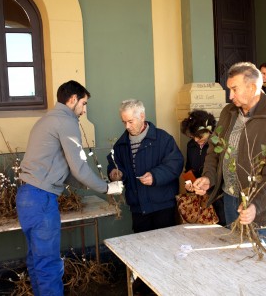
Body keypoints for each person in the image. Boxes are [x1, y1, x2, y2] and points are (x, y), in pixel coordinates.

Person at [16, 80, 123, 296]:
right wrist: (107, 188)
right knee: (49, 265)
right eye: (83, 104)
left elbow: (68, 172)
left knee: (38, 261)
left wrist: (90, 184)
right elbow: (79, 167)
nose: (84, 110)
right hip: (42, 198)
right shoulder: (66, 121)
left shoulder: (46, 120)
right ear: (72, 99)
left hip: (27, 197)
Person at [193, 62, 266, 249]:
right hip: (230, 199)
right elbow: (214, 149)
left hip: (261, 209)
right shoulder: (228, 112)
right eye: (229, 90)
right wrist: (209, 177)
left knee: (265, 264)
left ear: (252, 87)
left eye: (234, 89)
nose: (230, 96)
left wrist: (256, 205)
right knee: (236, 257)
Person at [107, 99, 184, 233]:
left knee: (166, 245)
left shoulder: (163, 139)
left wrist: (155, 176)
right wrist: (115, 173)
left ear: (142, 116)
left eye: (130, 121)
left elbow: (175, 164)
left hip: (163, 206)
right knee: (141, 247)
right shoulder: (121, 144)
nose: (127, 126)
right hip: (138, 207)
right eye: (124, 122)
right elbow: (115, 164)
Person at [180, 109, 226, 225]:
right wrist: (189, 183)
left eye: (199, 136)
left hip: (218, 197)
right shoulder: (191, 145)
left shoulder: (219, 144)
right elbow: (189, 168)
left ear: (209, 130)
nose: (196, 140)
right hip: (199, 199)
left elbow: (223, 173)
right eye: (192, 136)